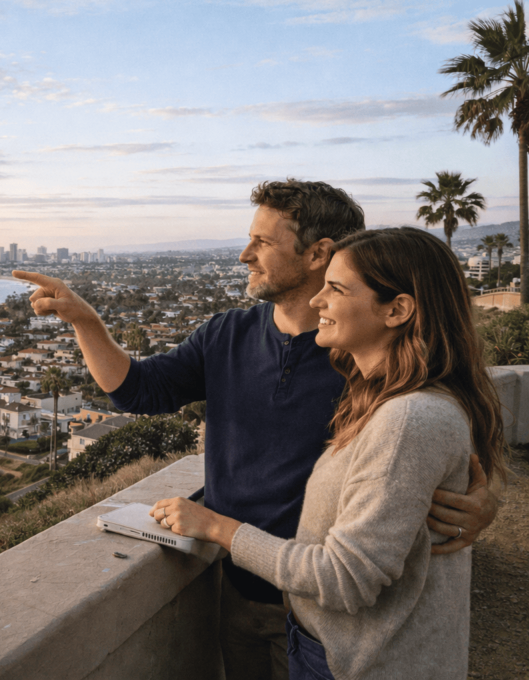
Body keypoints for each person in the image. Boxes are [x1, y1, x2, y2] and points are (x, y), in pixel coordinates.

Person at [12, 179, 498, 680]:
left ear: (319, 253)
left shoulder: (368, 357)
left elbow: (443, 446)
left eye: (263, 242)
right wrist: (86, 322)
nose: (245, 254)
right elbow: (138, 391)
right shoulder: (227, 334)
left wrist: (481, 503)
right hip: (240, 587)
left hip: (332, 604)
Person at [150, 227, 507, 679]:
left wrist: (217, 527)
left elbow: (345, 577)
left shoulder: (407, 419)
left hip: (366, 660)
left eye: (334, 289)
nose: (318, 300)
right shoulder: (380, 396)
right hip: (339, 645)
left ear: (397, 309)